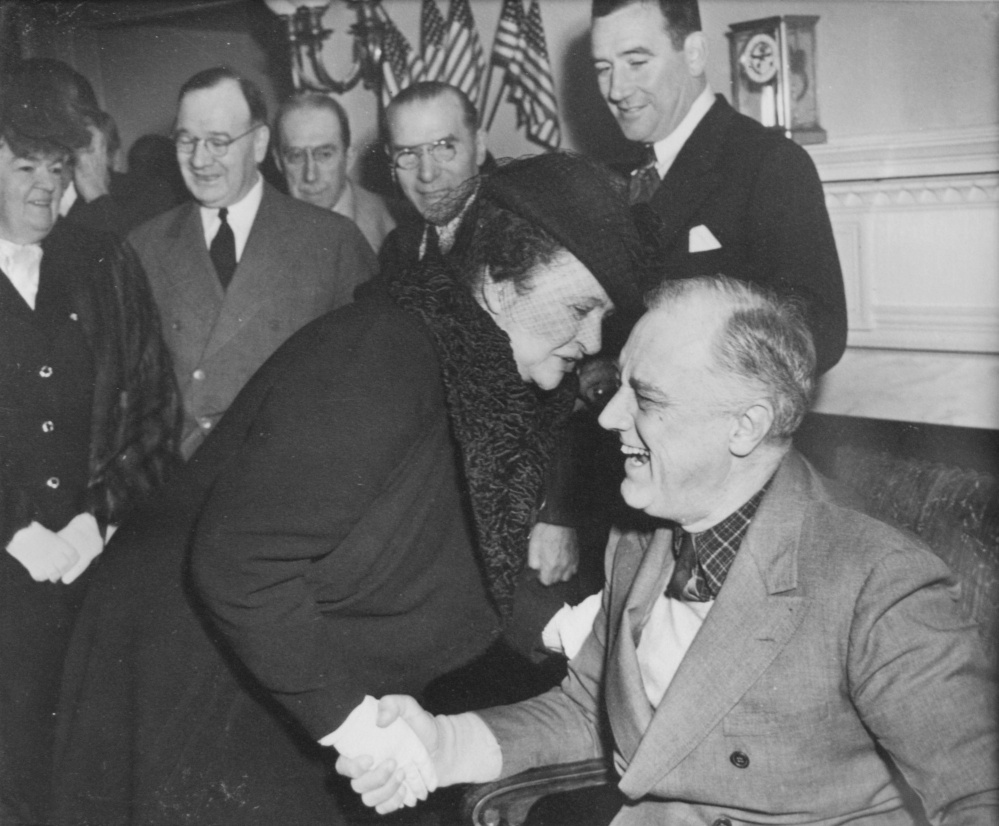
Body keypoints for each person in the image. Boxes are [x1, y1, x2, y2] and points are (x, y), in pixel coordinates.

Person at [51, 152, 645, 826]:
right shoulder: (379, 353)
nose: (593, 337)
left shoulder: (485, 370)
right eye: (579, 307)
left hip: (282, 678)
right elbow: (240, 564)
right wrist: (356, 727)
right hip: (195, 681)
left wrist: (561, 625)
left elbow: (460, 546)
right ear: (502, 278)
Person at [338, 275, 998, 825]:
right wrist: (444, 743)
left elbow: (976, 798)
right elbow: (583, 707)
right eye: (615, 386)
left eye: (644, 399)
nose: (607, 418)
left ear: (744, 426)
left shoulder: (875, 581)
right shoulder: (638, 541)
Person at [0, 72, 179, 823]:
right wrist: (10, 529)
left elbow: (155, 412)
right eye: (24, 168)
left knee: (90, 770)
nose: (46, 188)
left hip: (93, 574)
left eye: (59, 166)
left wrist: (95, 520)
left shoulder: (105, 263)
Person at [129, 66, 377, 459]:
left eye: (218, 141)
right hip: (181, 481)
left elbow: (366, 385)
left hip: (289, 474)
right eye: (186, 141)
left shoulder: (333, 241)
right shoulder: (144, 247)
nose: (199, 159)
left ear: (260, 143)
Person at [591, 0, 847, 375]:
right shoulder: (611, 175)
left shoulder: (767, 163)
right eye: (603, 68)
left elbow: (820, 331)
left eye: (637, 62)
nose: (616, 89)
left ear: (694, 55)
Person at [7, 58, 180, 237]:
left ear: (91, 129)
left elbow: (132, 261)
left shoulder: (148, 196)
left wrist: (97, 197)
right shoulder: (12, 202)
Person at [378, 81, 486, 275]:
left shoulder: (519, 233)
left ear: (479, 146)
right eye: (408, 153)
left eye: (444, 147)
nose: (427, 174)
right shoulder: (399, 249)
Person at [274, 91, 396, 254]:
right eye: (296, 156)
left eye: (324, 155)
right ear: (278, 162)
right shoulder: (261, 232)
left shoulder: (394, 228)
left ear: (348, 158)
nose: (310, 175)